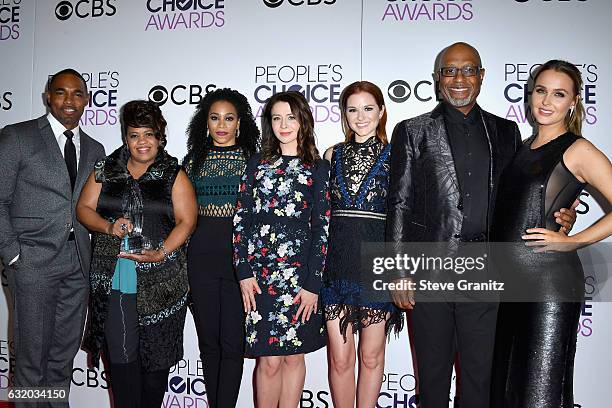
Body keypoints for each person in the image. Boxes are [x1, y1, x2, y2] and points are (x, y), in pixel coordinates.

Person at [385, 43, 576, 408]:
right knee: (433, 376)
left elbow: (526, 191)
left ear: (482, 76)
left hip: (488, 271)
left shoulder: (506, 132)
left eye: (469, 70)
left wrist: (563, 212)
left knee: (480, 379)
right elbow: (399, 202)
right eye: (450, 71)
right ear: (438, 77)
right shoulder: (412, 130)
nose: (460, 79)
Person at [490, 60, 612, 408]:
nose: (547, 101)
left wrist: (573, 240)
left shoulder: (578, 149)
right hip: (507, 289)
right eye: (541, 90)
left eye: (559, 94)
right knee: (507, 392)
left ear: (573, 101)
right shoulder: (522, 148)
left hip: (548, 288)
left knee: (540, 394)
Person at [77, 100, 197, 408]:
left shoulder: (174, 173)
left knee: (155, 370)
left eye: (148, 134)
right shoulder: (107, 168)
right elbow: (83, 209)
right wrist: (109, 225)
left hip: (161, 286)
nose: (141, 142)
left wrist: (162, 252)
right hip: (115, 281)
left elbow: (187, 220)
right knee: (121, 363)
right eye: (134, 135)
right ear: (125, 137)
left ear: (160, 137)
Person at [0, 68, 105, 407]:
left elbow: (100, 204)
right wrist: (13, 253)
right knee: (31, 359)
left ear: (87, 99)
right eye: (61, 92)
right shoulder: (17, 137)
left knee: (62, 357)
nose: (69, 100)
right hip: (32, 263)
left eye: (77, 93)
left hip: (78, 264)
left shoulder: (96, 149)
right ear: (48, 97)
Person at [233, 91, 330, 408]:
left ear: (303, 120)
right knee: (268, 361)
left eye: (291, 117)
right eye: (277, 118)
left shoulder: (318, 168)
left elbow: (322, 227)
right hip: (260, 276)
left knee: (293, 356)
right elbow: (241, 219)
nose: (284, 125)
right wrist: (243, 271)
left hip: (299, 277)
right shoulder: (257, 164)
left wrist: (313, 283)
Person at [320, 81, 403, 408]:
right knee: (339, 360)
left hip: (377, 264)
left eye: (368, 108)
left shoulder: (395, 155)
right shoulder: (332, 154)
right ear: (344, 114)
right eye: (352, 109)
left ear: (381, 111)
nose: (360, 116)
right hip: (337, 264)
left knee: (371, 356)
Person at [183, 88, 260, 408]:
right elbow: (182, 217)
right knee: (208, 345)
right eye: (215, 118)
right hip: (200, 259)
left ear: (239, 123)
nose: (222, 125)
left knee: (233, 344)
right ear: (206, 123)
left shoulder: (253, 162)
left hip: (239, 264)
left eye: (229, 118)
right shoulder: (191, 163)